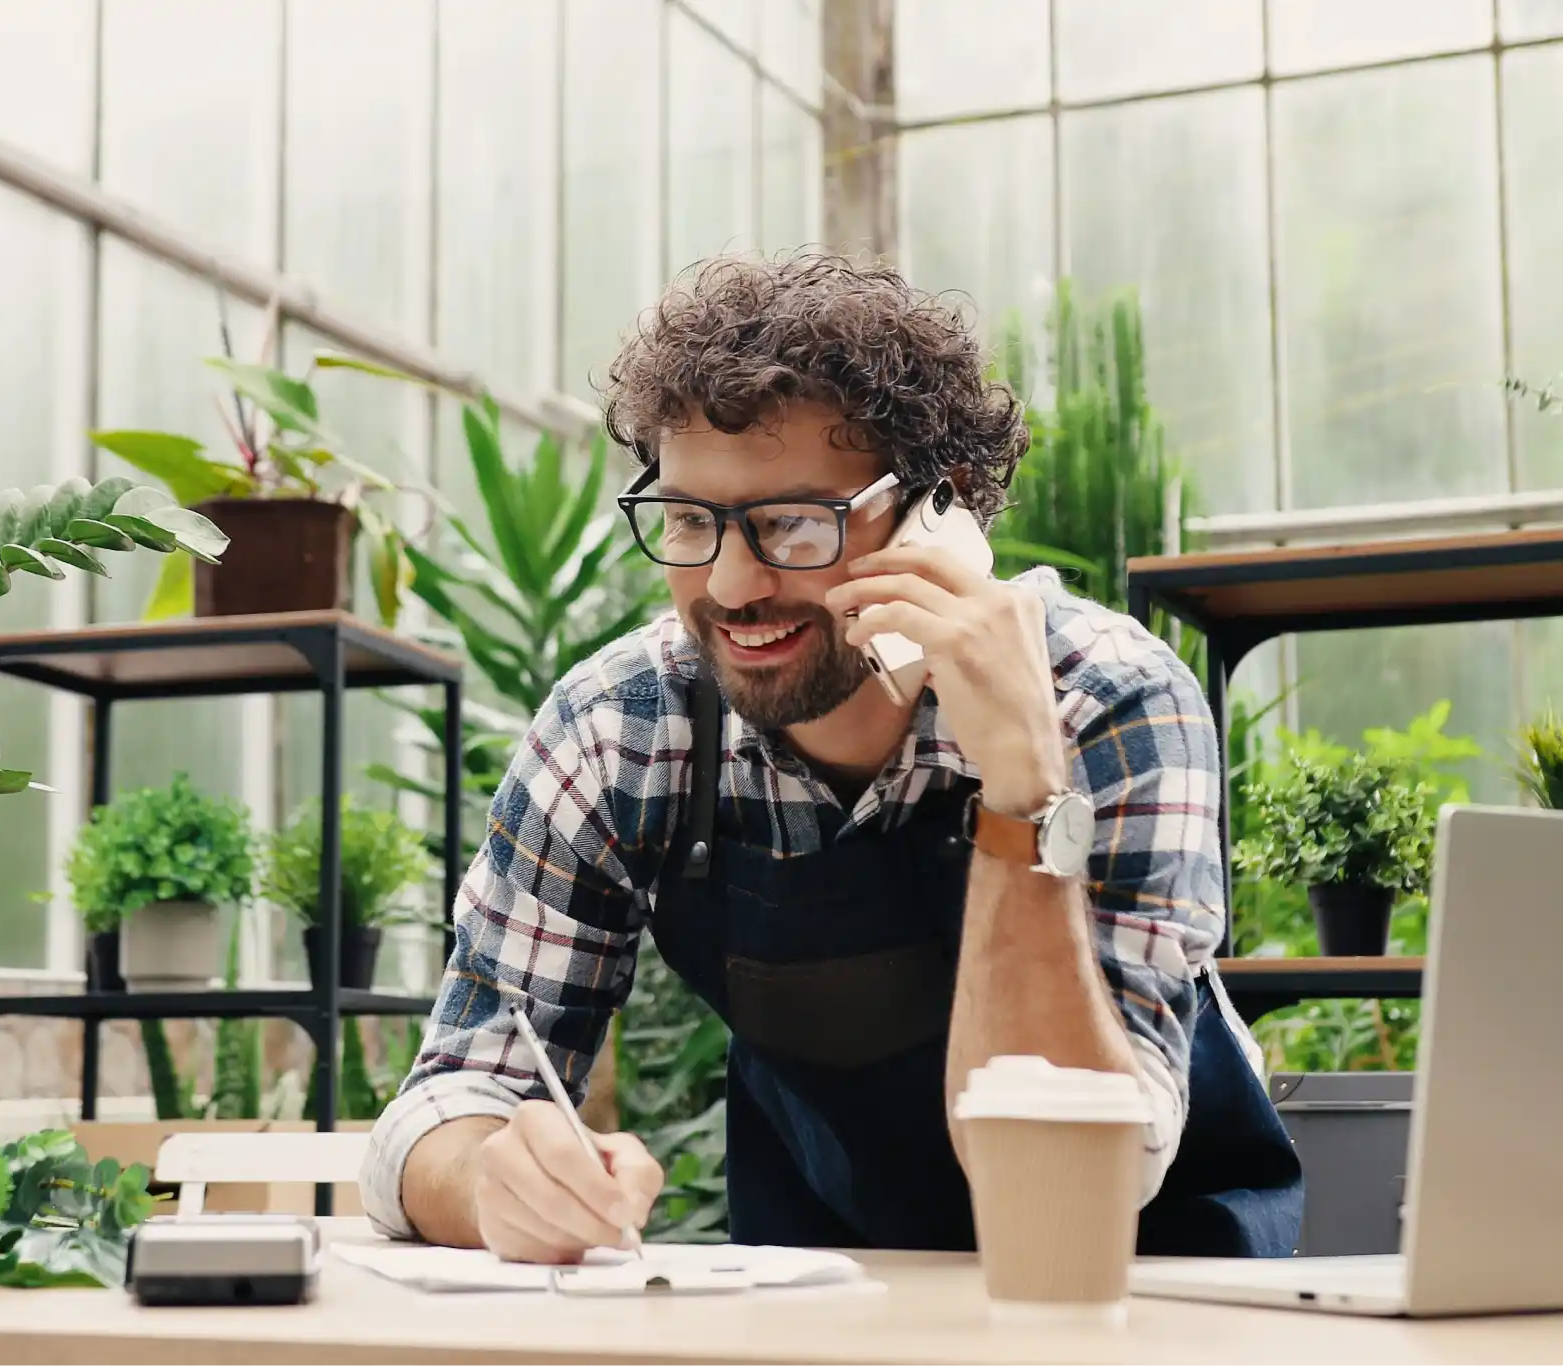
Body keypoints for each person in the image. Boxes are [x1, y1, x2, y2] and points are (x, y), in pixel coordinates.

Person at [358, 253, 1302, 1262]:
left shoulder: (1105, 698)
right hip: (831, 1293)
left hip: (1143, 1291)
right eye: (688, 521)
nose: (728, 585)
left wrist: (1023, 789)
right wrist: (492, 1180)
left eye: (793, 524)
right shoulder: (621, 727)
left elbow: (1076, 1178)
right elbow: (447, 1100)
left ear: (943, 507)